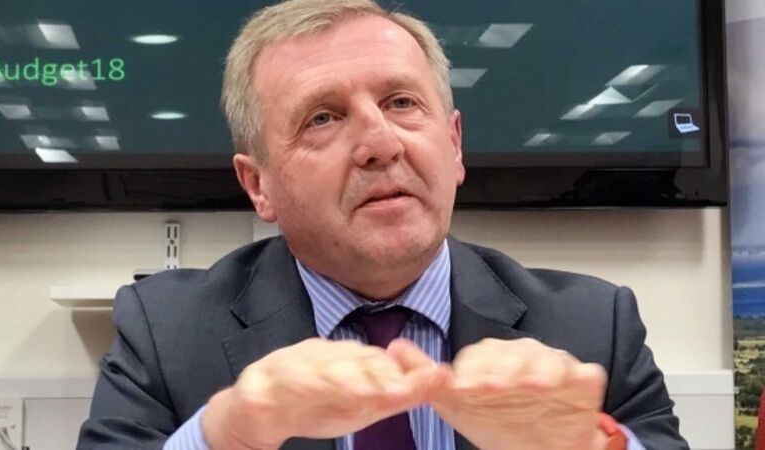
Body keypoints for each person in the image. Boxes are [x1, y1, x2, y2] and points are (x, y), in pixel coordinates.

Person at [77, 0, 689, 449]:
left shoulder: (594, 325)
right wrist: (227, 435)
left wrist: (585, 446)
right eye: (322, 118)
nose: (381, 143)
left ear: (454, 145)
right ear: (258, 185)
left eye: (401, 103)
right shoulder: (165, 332)